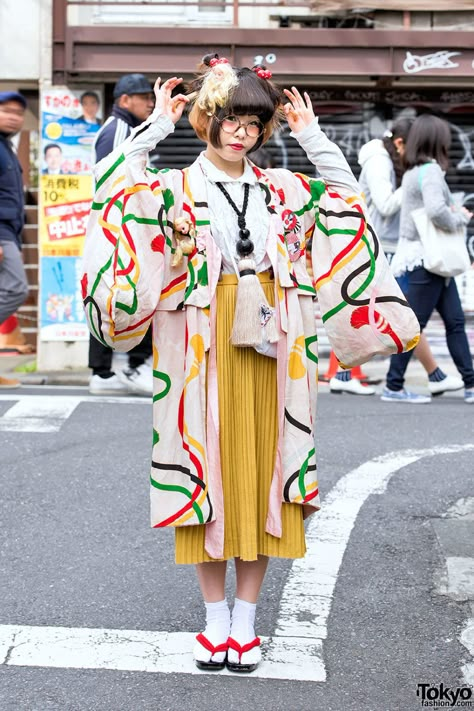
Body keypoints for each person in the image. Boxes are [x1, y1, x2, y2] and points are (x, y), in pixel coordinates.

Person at [82, 55, 419, 672]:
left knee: (264, 467)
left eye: (254, 124)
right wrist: (157, 125)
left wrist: (311, 133)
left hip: (273, 337)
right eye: (231, 119)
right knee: (203, 466)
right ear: (207, 118)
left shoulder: (282, 188)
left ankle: (246, 618)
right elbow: (110, 190)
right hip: (194, 336)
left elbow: (346, 198)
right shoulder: (171, 187)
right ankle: (214, 622)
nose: (242, 132)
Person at [330, 117, 463, 400]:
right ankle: (347, 375)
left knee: (401, 311)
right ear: (401, 143)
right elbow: (385, 204)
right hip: (374, 243)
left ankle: (433, 375)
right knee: (387, 310)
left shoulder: (393, 162)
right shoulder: (380, 161)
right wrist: (413, 185)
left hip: (385, 244)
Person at [383, 113, 474, 404]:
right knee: (415, 325)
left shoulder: (413, 171)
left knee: (454, 321)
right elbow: (436, 211)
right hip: (427, 259)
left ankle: (471, 383)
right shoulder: (430, 171)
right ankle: (393, 386)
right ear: (437, 141)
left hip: (424, 258)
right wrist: (459, 217)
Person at [88, 73, 156, 395]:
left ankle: (105, 373)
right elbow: (112, 179)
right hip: (118, 228)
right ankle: (131, 367)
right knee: (131, 292)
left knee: (112, 294)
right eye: (145, 97)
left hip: (118, 228)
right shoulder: (119, 130)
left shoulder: (125, 129)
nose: (151, 103)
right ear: (124, 100)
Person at [0, 91, 29, 389]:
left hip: (10, 230)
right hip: (1, 231)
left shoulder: (6, 147)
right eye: (6, 110)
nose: (13, 116)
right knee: (15, 289)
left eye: (18, 113)